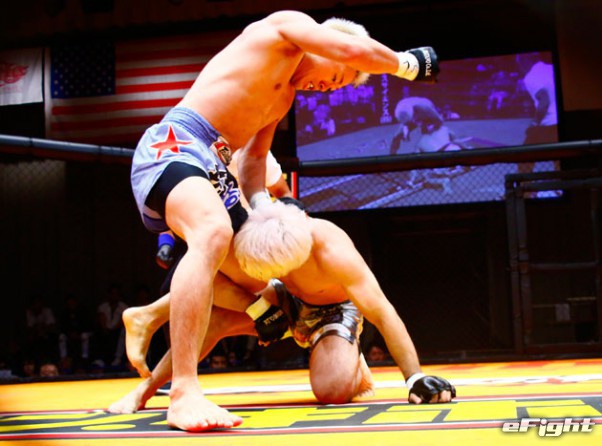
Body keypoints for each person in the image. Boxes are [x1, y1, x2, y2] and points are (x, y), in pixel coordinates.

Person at [129, 9, 439, 432]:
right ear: (328, 47)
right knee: (213, 233)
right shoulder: (281, 28)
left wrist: (263, 207)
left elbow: (254, 160)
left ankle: (155, 328)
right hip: (180, 142)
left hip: (217, 165)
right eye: (335, 78)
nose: (325, 89)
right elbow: (350, 47)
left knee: (241, 265)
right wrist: (405, 64)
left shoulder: (282, 99)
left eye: (334, 88)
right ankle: (182, 387)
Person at [109, 201, 455, 415]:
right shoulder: (255, 231)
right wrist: (258, 307)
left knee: (332, 392)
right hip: (282, 299)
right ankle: (144, 387)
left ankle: (349, 356)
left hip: (331, 311)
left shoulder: (334, 252)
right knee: (211, 307)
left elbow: (383, 311)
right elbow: (207, 279)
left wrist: (414, 377)